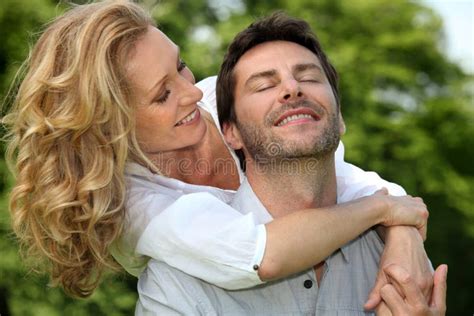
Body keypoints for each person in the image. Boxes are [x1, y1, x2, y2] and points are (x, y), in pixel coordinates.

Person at [4, 0, 431, 304]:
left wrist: (402, 235)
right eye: (162, 95)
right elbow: (259, 256)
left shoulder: (219, 99)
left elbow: (345, 176)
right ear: (112, 127)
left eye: (180, 64)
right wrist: (387, 212)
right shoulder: (136, 207)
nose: (193, 91)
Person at [136, 12, 445, 315]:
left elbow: (363, 184)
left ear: (340, 118)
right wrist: (389, 210)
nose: (291, 88)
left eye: (309, 77)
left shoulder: (402, 262)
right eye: (263, 86)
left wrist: (401, 224)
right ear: (232, 131)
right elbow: (261, 254)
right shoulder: (173, 286)